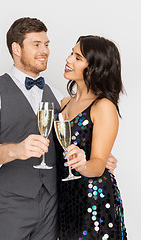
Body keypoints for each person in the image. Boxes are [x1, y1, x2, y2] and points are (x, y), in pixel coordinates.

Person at [0, 17, 118, 240]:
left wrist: (97, 157)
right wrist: (16, 150)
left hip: (55, 207)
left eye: (47, 44)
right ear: (16, 49)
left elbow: (79, 135)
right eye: (36, 44)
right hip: (11, 206)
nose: (45, 51)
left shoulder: (59, 96)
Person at [57, 35, 127, 239]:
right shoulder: (63, 104)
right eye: (71, 53)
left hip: (92, 200)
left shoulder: (103, 106)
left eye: (78, 57)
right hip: (66, 198)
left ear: (94, 68)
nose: (68, 59)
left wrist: (82, 164)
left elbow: (97, 165)